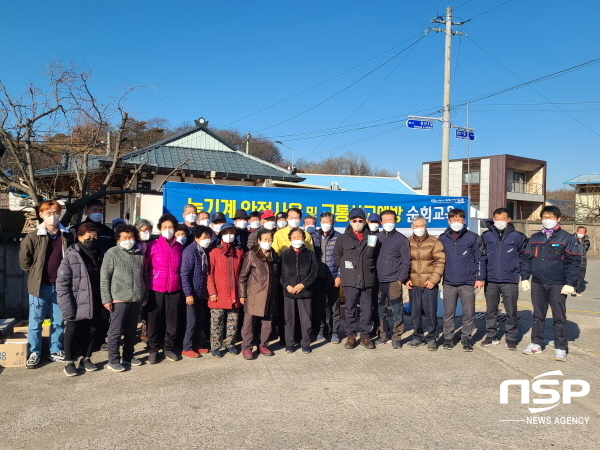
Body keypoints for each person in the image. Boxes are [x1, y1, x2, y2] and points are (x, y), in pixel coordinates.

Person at [520, 206, 581, 362]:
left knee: (559, 317)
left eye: (551, 217)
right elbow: (526, 258)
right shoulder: (534, 238)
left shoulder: (567, 238)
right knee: (538, 315)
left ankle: (561, 347)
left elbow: (575, 262)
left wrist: (570, 283)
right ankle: (536, 343)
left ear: (558, 219)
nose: (548, 220)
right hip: (538, 283)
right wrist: (525, 277)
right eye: (545, 216)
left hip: (558, 284)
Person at [20, 200, 74, 369]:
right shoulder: (33, 236)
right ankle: (34, 351)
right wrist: (36, 276)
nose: (53, 216)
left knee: (58, 321)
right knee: (35, 322)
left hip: (61, 286)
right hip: (40, 286)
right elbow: (24, 261)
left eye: (56, 212)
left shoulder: (67, 235)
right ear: (41, 214)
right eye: (49, 213)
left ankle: (55, 350)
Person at [56, 222, 104, 376]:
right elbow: (62, 284)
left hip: (96, 300)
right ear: (79, 237)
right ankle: (69, 362)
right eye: (88, 236)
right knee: (72, 332)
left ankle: (87, 358)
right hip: (76, 301)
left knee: (93, 331)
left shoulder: (100, 253)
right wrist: (67, 307)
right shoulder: (71, 256)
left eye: (95, 237)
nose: (92, 239)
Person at [101, 224, 148, 372]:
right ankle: (113, 359)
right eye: (125, 238)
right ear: (118, 239)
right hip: (118, 298)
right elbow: (105, 277)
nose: (128, 240)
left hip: (135, 298)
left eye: (131, 237)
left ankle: (127, 357)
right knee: (115, 331)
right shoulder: (112, 253)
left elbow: (145, 276)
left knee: (131, 330)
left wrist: (144, 295)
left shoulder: (140, 254)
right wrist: (106, 299)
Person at [438, 208, 486, 352]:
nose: (456, 222)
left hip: (467, 281)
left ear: (464, 221)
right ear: (449, 220)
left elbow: (480, 259)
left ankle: (466, 338)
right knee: (448, 312)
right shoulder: (442, 238)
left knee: (468, 312)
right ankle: (448, 338)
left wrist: (480, 278)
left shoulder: (473, 237)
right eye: (453, 219)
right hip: (449, 282)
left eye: (459, 219)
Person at [481, 208, 528, 351]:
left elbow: (524, 258)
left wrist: (524, 276)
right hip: (491, 278)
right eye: (497, 218)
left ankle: (511, 338)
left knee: (511, 310)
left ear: (508, 220)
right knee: (490, 310)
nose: (499, 221)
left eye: (502, 219)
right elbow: (480, 257)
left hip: (510, 279)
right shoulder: (486, 236)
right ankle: (491, 335)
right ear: (493, 219)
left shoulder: (518, 236)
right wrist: (480, 276)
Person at [333, 208, 380, 350]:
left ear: (365, 222)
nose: (357, 223)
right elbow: (337, 256)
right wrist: (347, 266)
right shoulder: (342, 238)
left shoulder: (372, 237)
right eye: (354, 220)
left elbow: (376, 256)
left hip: (367, 278)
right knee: (350, 308)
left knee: (367, 308)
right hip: (350, 279)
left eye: (360, 220)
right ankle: (351, 335)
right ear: (350, 221)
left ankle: (365, 336)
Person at [145, 213, 184, 364]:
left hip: (174, 288)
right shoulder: (152, 245)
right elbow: (146, 266)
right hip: (156, 288)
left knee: (172, 321)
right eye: (165, 227)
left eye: (171, 227)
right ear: (160, 229)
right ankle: (153, 349)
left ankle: (168, 348)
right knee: (154, 320)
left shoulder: (179, 247)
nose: (168, 230)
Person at [238, 229, 280, 359]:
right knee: (249, 323)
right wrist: (242, 294)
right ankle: (246, 347)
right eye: (265, 239)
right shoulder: (252, 254)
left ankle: (263, 345)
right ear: (259, 241)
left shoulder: (274, 255)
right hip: (254, 294)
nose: (268, 242)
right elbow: (242, 277)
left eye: (270, 239)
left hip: (270, 294)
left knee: (267, 323)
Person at [405, 216, 445, 351]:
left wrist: (433, 280)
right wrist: (406, 279)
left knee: (430, 312)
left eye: (421, 225)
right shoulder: (407, 242)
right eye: (416, 226)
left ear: (426, 226)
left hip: (429, 284)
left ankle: (432, 338)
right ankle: (417, 336)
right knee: (415, 312)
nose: (419, 228)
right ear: (412, 227)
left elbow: (440, 262)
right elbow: (404, 262)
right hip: (413, 283)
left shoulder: (435, 241)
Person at [207, 223, 245, 357]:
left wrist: (242, 293)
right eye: (226, 233)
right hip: (218, 293)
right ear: (221, 234)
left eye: (232, 233)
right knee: (216, 322)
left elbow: (242, 274)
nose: (229, 236)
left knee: (233, 322)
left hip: (234, 293)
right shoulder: (214, 251)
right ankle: (215, 346)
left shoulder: (239, 251)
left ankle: (230, 343)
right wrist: (212, 292)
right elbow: (209, 274)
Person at [375, 210, 411, 349]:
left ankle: (397, 336)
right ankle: (384, 335)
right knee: (380, 310)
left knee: (397, 310)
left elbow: (406, 261)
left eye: (391, 220)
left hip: (394, 281)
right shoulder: (376, 237)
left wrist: (400, 278)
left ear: (395, 221)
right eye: (385, 220)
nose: (388, 223)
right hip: (378, 281)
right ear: (381, 222)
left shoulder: (401, 239)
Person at [280, 228, 319, 354]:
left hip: (305, 292)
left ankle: (305, 343)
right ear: (290, 239)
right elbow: (280, 274)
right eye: (294, 237)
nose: (297, 239)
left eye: (299, 237)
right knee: (289, 319)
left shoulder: (310, 254)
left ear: (304, 239)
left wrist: (303, 284)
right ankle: (290, 343)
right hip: (289, 292)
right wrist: (287, 285)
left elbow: (314, 272)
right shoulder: (285, 254)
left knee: (306, 319)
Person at [180, 225, 212, 358]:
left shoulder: (203, 251)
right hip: (192, 293)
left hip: (201, 293)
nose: (207, 240)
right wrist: (188, 294)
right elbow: (184, 274)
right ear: (196, 238)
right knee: (192, 321)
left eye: (209, 237)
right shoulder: (190, 251)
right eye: (204, 238)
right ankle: (187, 347)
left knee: (200, 320)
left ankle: (197, 344)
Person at [311, 212, 342, 343]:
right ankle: (321, 330)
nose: (325, 224)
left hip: (333, 277)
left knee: (334, 306)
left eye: (328, 222)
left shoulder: (339, 237)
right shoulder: (313, 236)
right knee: (319, 307)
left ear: (333, 223)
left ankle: (334, 332)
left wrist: (340, 276)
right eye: (323, 221)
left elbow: (343, 258)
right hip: (317, 278)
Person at [574, 226, 590, 296]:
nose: (580, 233)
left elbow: (585, 250)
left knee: (581, 276)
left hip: (582, 261)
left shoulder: (586, 241)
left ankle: (577, 290)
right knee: (573, 275)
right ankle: (572, 288)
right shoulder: (571, 239)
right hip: (573, 261)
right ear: (576, 232)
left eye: (582, 232)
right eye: (579, 231)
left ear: (585, 233)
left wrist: (581, 242)